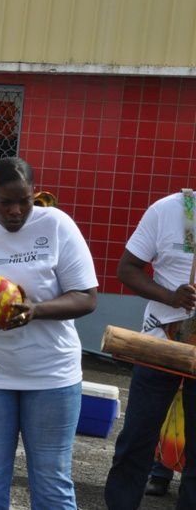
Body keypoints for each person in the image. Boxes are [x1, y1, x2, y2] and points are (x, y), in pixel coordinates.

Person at [0, 157, 97, 509]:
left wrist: (36, 311)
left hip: (51, 374)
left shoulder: (56, 225)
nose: (15, 210)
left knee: (52, 481)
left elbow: (86, 298)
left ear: (34, 194)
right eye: (5, 202)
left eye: (23, 200)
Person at [104, 188, 196, 510]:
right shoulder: (169, 210)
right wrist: (171, 297)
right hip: (162, 342)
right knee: (136, 440)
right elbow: (127, 268)